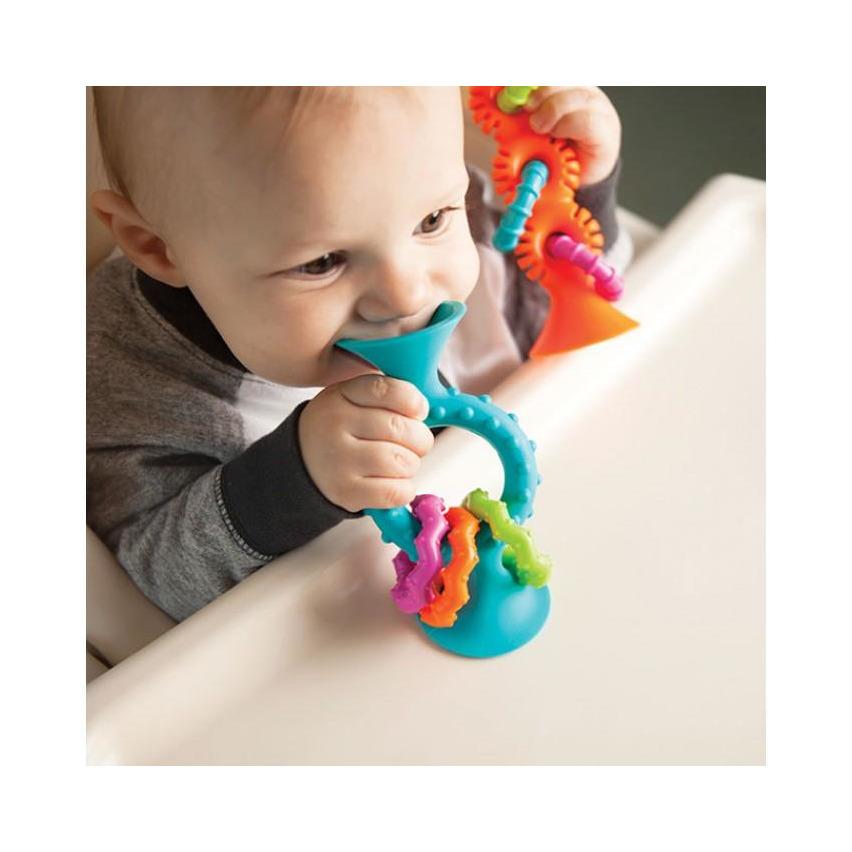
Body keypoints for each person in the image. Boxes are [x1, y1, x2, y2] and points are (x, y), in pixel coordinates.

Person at [87, 86, 630, 621]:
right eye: (323, 262)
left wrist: (581, 194)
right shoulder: (127, 379)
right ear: (157, 248)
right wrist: (298, 478)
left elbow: (556, 313)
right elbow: (152, 587)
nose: (407, 294)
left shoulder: (410, 195)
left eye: (432, 221)